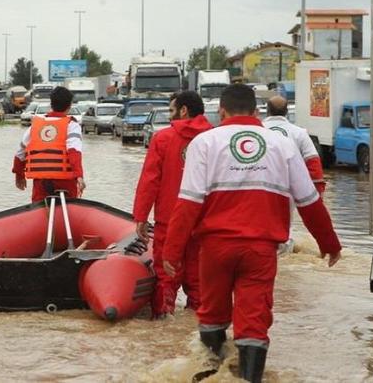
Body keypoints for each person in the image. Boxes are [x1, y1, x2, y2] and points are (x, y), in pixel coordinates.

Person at [162, 84, 341, 382]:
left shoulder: (205, 143)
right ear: (256, 112)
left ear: (221, 111)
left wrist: (172, 251)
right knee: (254, 319)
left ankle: (214, 373)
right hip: (261, 250)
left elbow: (188, 203)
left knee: (212, 313)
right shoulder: (282, 145)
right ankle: (249, 378)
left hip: (215, 249)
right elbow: (309, 201)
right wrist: (329, 243)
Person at [132, 91, 212, 318]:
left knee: (166, 279)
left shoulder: (163, 139)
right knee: (200, 283)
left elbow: (150, 181)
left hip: (169, 221)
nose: (170, 116)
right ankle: (197, 331)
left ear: (183, 110)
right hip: (204, 223)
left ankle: (162, 327)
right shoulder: (214, 139)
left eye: (171, 110)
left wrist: (140, 217)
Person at [264, 95, 326, 254]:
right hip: (288, 187)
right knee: (285, 224)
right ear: (287, 112)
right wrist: (316, 194)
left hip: (258, 184)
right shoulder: (299, 133)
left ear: (267, 110)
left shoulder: (256, 130)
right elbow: (313, 164)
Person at [12, 86, 85, 202]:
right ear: (70, 105)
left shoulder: (35, 126)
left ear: (51, 104)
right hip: (66, 181)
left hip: (41, 181)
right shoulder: (72, 125)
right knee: (69, 210)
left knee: (40, 210)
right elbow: (74, 151)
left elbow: (20, 153)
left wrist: (19, 174)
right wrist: (79, 175)